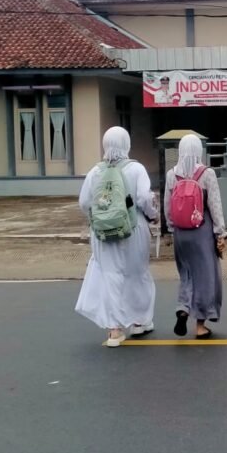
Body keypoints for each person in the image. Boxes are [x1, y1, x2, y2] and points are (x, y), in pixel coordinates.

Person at [76, 127, 158, 347]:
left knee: (110, 277)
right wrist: (153, 215)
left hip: (103, 232)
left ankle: (114, 330)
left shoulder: (95, 171)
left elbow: (84, 203)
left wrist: (101, 216)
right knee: (137, 273)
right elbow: (144, 199)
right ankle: (139, 322)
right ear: (127, 144)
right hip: (133, 228)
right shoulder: (137, 169)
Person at [163, 134, 227, 339]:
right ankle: (200, 325)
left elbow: (167, 208)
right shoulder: (207, 174)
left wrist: (172, 228)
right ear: (200, 151)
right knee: (206, 277)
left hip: (181, 234)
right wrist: (220, 233)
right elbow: (215, 206)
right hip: (202, 233)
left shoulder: (172, 175)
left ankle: (183, 308)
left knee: (187, 274)